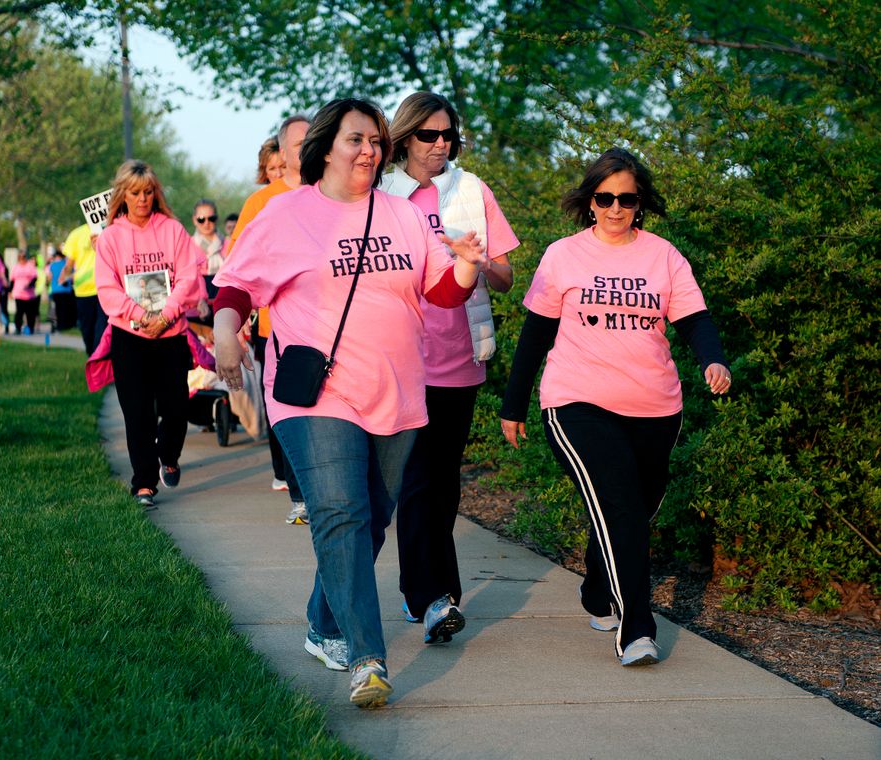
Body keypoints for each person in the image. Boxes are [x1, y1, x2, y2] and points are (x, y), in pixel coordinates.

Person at [212, 98, 488, 709]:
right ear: (326, 147)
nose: (368, 150)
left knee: (372, 516)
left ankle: (323, 622)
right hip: (318, 395)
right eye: (355, 139)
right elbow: (234, 286)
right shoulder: (285, 216)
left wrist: (467, 267)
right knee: (340, 511)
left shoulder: (404, 216)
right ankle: (369, 659)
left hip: (395, 392)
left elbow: (440, 292)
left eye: (375, 140)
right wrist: (226, 332)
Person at [499, 147, 731, 667]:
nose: (615, 208)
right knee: (623, 507)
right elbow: (536, 336)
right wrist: (513, 405)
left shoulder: (663, 256)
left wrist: (714, 361)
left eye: (627, 199)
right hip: (576, 401)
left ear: (640, 202)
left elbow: (694, 320)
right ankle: (636, 631)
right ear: (590, 200)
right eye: (605, 197)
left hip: (655, 406)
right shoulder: (563, 255)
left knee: (636, 509)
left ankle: (600, 588)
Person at [379, 91, 521, 645]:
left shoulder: (471, 189)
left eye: (449, 136)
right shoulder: (382, 194)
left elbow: (509, 277)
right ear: (405, 138)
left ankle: (433, 589)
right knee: (416, 482)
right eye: (429, 135)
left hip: (460, 357)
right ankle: (432, 596)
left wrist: (480, 261)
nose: (441, 145)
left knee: (443, 481)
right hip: (401, 357)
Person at [95, 159, 204, 510]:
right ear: (123, 196)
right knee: (137, 411)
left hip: (171, 333)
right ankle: (143, 483)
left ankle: (168, 457)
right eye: (136, 193)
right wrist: (141, 316)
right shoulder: (111, 237)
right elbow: (106, 289)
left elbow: (190, 277)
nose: (143, 199)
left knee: (175, 408)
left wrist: (167, 314)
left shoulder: (172, 230)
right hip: (130, 336)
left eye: (148, 192)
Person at [225, 115, 312, 524]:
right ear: (281, 152)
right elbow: (239, 266)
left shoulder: (336, 193)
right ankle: (299, 493)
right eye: (298, 142)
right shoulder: (263, 202)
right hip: (274, 329)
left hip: (332, 329)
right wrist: (237, 321)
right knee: (289, 411)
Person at [62, 223, 109, 355]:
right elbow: (69, 264)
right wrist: (63, 276)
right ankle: (92, 358)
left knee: (101, 331)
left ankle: (100, 363)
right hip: (83, 291)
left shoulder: (108, 229)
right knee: (87, 331)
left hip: (105, 289)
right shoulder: (76, 234)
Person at [192, 199, 224, 312]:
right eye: (201, 219)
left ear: (216, 219)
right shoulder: (188, 245)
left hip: (225, 302)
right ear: (194, 220)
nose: (206, 223)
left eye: (211, 218)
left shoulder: (228, 244)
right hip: (198, 305)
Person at [10, 250, 40, 335]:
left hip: (29, 294)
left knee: (30, 313)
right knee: (19, 312)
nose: (22, 259)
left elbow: (35, 278)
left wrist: (29, 285)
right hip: (18, 294)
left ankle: (31, 328)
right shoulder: (16, 267)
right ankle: (18, 328)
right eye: (20, 257)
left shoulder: (30, 266)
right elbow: (12, 281)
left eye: (23, 257)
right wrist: (10, 291)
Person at [47, 250, 77, 331]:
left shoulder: (52, 265)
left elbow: (49, 278)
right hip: (66, 290)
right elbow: (73, 276)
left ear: (56, 257)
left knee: (58, 309)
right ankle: (66, 325)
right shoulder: (66, 264)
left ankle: (59, 325)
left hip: (55, 290)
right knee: (66, 309)